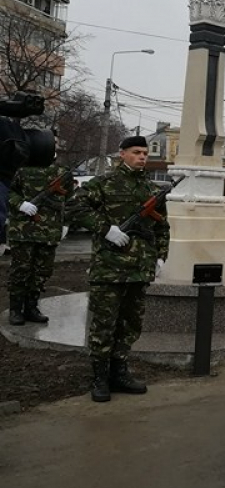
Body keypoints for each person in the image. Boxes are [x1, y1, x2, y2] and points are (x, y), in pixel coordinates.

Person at [73, 136, 170, 402]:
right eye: (136, 152)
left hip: (139, 269)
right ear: (122, 154)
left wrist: (161, 257)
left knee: (130, 325)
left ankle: (120, 372)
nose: (142, 157)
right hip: (109, 269)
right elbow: (74, 207)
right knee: (104, 325)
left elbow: (162, 226)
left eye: (145, 153)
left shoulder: (151, 189)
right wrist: (107, 229)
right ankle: (99, 377)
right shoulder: (103, 184)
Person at [5, 160, 77, 325]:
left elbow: (71, 199)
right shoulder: (20, 168)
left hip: (49, 231)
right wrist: (20, 203)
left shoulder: (63, 171)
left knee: (42, 271)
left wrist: (66, 223)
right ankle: (15, 309)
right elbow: (6, 191)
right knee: (20, 271)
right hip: (23, 231)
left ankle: (32, 308)